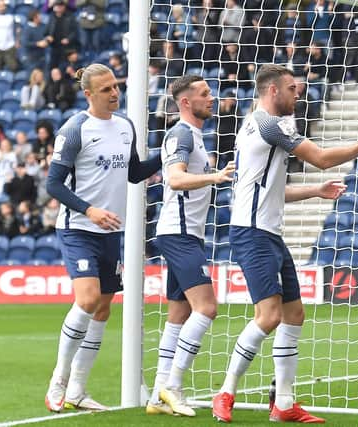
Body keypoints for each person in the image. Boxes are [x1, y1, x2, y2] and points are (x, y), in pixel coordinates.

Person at [211, 64, 358, 424]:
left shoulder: (259, 127)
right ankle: (225, 391)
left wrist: (316, 190)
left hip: (267, 231)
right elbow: (321, 158)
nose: (298, 95)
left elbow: (273, 191)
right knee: (268, 316)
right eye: (292, 89)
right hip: (252, 233)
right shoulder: (269, 124)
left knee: (294, 313)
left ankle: (284, 404)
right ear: (272, 91)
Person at [44, 63, 162, 413]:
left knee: (103, 309)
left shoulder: (126, 127)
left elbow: (135, 172)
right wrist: (89, 209)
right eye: (107, 89)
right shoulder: (74, 129)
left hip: (112, 232)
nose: (115, 93)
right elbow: (52, 184)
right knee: (88, 298)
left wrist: (166, 156)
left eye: (116, 86)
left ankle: (78, 390)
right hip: (79, 229)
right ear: (89, 94)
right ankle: (59, 380)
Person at [144, 75, 235, 417]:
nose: (211, 98)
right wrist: (214, 176)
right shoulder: (180, 134)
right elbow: (174, 178)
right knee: (207, 308)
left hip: (187, 233)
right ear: (185, 102)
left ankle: (157, 395)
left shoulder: (196, 136)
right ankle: (173, 386)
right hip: (178, 233)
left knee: (179, 314)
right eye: (204, 94)